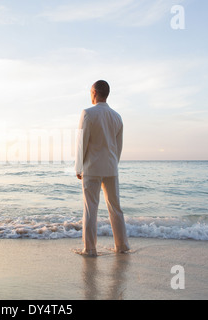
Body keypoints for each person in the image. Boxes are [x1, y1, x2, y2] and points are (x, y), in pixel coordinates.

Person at [75, 80, 130, 256]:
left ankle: (90, 249)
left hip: (92, 168)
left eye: (90, 91)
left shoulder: (88, 113)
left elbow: (81, 143)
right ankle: (121, 246)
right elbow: (118, 146)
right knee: (115, 208)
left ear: (95, 93)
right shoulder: (117, 116)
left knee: (91, 208)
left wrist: (78, 167)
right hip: (111, 168)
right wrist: (114, 164)